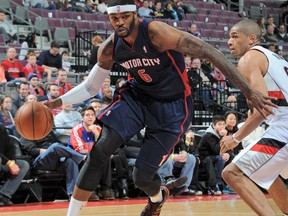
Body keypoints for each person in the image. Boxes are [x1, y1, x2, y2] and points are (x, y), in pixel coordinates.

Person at [45, 1, 275, 215]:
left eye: (125, 17)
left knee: (142, 177)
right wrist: (56, 103)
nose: (121, 23)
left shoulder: (157, 32)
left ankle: (158, 197)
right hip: (137, 97)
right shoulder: (110, 47)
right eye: (115, 19)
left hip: (172, 106)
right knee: (100, 149)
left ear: (135, 14)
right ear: (109, 19)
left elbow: (210, 51)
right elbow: (90, 86)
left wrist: (247, 90)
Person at [220, 19, 288, 216]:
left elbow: (262, 110)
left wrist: (235, 138)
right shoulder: (276, 58)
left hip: (284, 127)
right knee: (268, 172)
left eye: (235, 36)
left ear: (251, 39)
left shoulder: (249, 58)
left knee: (231, 173)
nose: (229, 42)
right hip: (280, 124)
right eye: (228, 37)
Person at [0, 123, 30, 206]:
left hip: (3, 162)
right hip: (2, 160)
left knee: (23, 165)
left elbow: (9, 147)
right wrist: (9, 163)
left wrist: (13, 162)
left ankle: (4, 195)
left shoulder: (1, 127)